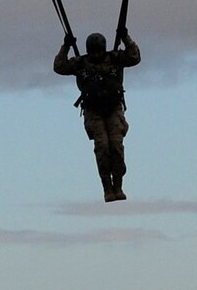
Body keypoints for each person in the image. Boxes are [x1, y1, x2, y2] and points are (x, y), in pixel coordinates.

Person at [54, 28, 140, 200]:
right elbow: (59, 67)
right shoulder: (81, 64)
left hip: (113, 108)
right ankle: (107, 188)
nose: (96, 55)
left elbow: (134, 57)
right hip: (93, 111)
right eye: (93, 52)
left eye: (99, 51)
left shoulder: (115, 59)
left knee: (116, 145)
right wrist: (66, 46)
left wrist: (126, 38)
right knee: (102, 147)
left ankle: (118, 185)